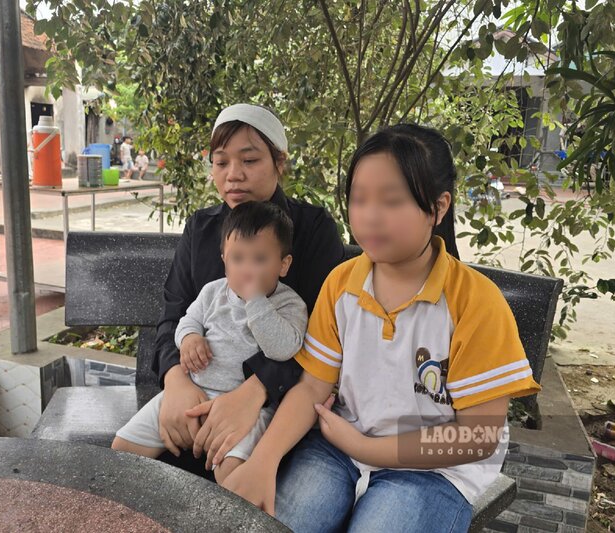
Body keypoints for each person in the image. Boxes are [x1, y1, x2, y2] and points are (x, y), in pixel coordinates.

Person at [222, 124, 541, 532]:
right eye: (359, 199)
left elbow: (478, 435)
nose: (370, 216)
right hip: (336, 448)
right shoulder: (341, 285)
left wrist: (367, 447)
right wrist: (263, 461)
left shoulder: (475, 302)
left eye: (392, 201)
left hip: (434, 470)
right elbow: (312, 388)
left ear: (438, 208)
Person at [147, 103, 346, 475]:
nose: (233, 175)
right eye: (221, 163)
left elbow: (322, 338)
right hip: (194, 394)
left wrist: (253, 393)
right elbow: (174, 313)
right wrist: (174, 380)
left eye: (249, 161)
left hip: (280, 408)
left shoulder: (314, 229)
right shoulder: (202, 230)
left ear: (280, 163)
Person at [112, 201, 308, 484]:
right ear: (224, 260)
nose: (247, 270)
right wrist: (190, 338)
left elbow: (283, 349)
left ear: (283, 264)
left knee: (230, 472)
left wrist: (256, 302)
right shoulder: (212, 292)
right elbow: (187, 321)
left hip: (247, 409)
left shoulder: (289, 305)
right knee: (122, 449)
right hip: (192, 391)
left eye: (259, 259)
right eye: (237, 259)